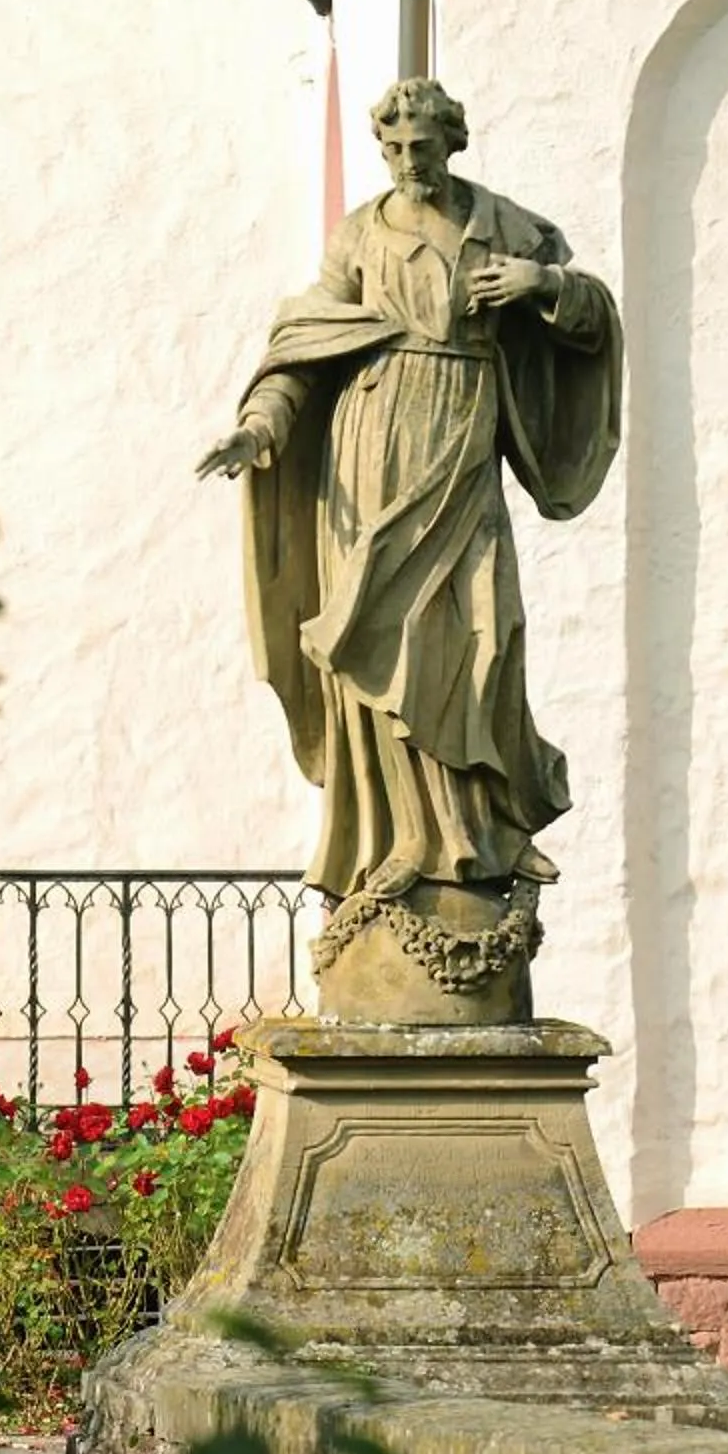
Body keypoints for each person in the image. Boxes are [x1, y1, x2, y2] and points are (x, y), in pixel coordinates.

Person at [197, 77, 620, 907]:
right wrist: (260, 427)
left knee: (483, 636)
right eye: (392, 149)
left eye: (421, 147)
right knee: (382, 650)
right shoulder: (360, 237)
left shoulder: (506, 227)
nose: (406, 162)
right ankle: (397, 839)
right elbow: (304, 347)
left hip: (463, 441)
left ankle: (491, 826)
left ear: (452, 142)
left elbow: (591, 318)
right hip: (370, 454)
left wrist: (541, 289)